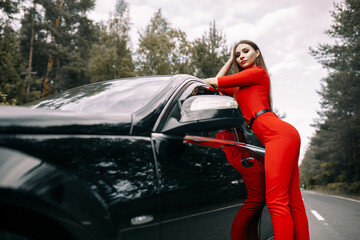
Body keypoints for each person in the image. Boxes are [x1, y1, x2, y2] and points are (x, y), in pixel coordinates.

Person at [203, 40, 309, 240]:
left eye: (245, 51)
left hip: (278, 135)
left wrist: (231, 62)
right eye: (237, 54)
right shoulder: (237, 88)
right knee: (293, 201)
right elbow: (217, 83)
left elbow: (214, 81)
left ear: (257, 53)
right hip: (282, 135)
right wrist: (230, 59)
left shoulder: (258, 72)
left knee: (276, 201)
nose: (241, 56)